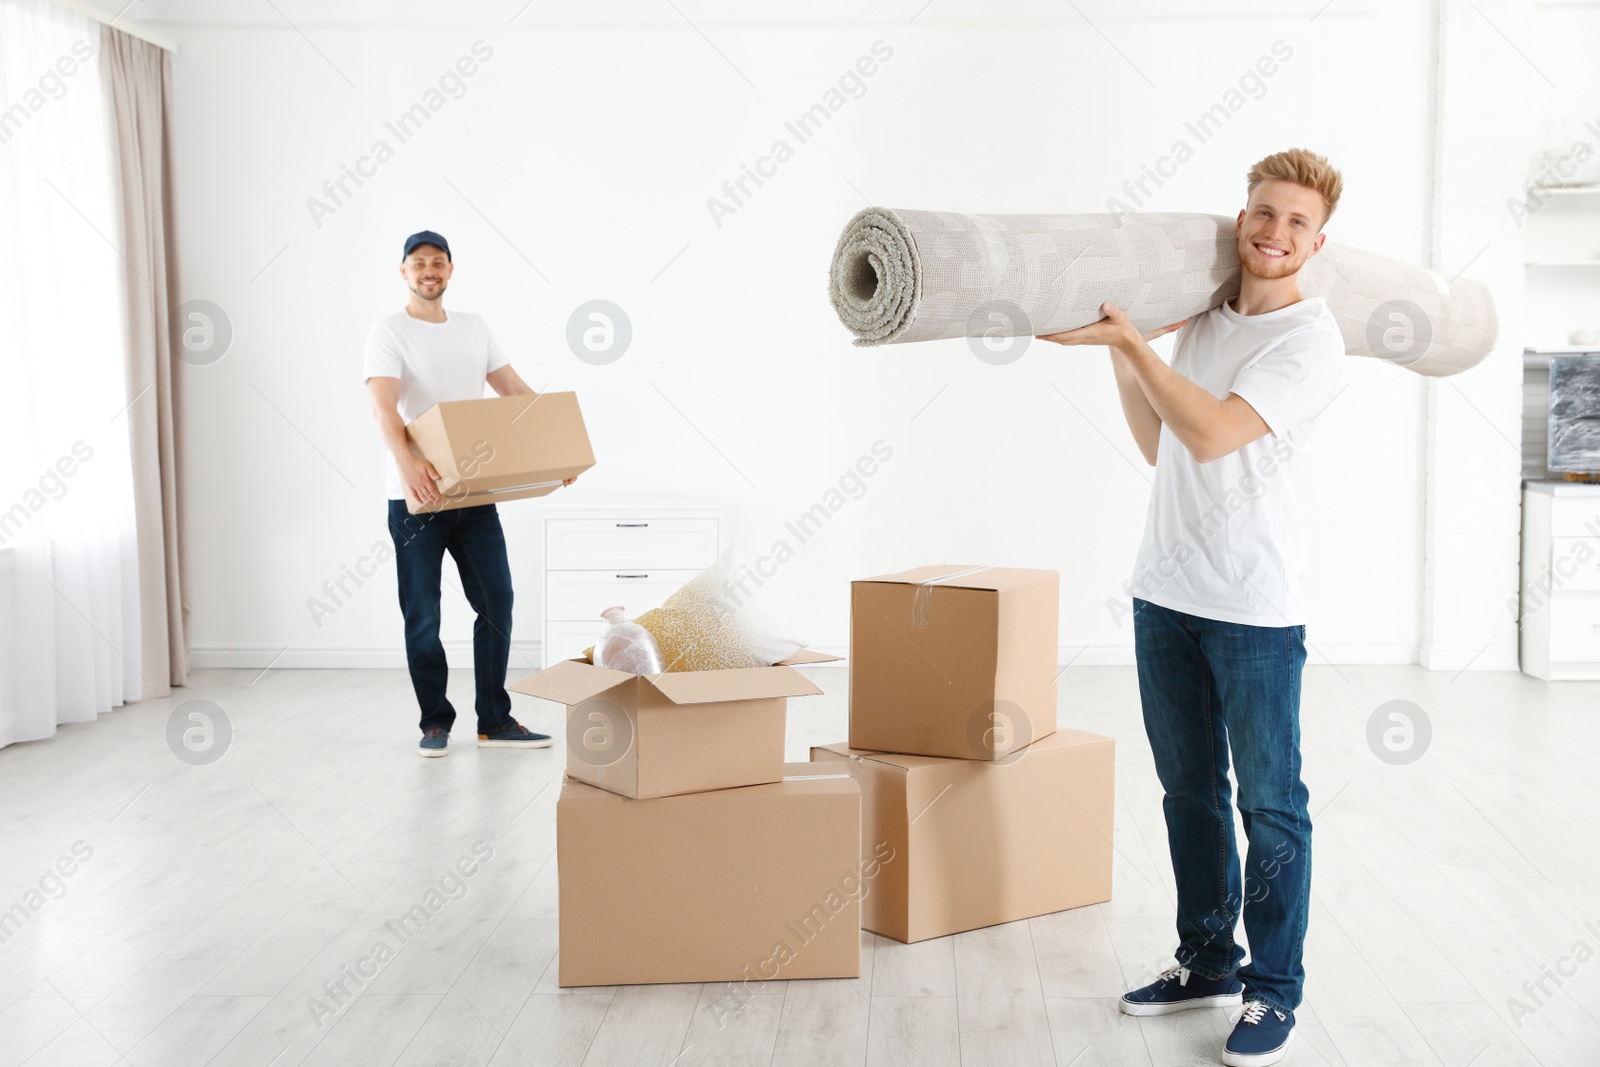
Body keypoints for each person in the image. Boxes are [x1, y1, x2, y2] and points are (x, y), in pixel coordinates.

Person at [1040, 148, 1344, 1067]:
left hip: (1253, 604)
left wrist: (1135, 344)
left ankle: (1275, 990)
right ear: (1241, 216)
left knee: (1271, 804)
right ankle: (1207, 961)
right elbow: (1157, 443)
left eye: (1296, 221)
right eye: (1263, 211)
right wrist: (1118, 354)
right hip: (1164, 593)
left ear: (1318, 240)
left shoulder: (1309, 339)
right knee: (1190, 794)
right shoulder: (1204, 321)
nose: (1274, 232)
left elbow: (1211, 435)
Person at [364, 230, 575, 758]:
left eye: (438, 262)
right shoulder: (388, 332)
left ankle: (494, 720)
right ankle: (435, 722)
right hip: (417, 496)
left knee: (497, 602)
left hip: (474, 493)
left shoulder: (475, 328)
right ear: (404, 271)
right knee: (424, 613)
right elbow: (384, 407)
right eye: (418, 263)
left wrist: (559, 451)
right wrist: (408, 463)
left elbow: (516, 394)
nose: (428, 270)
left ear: (451, 270)